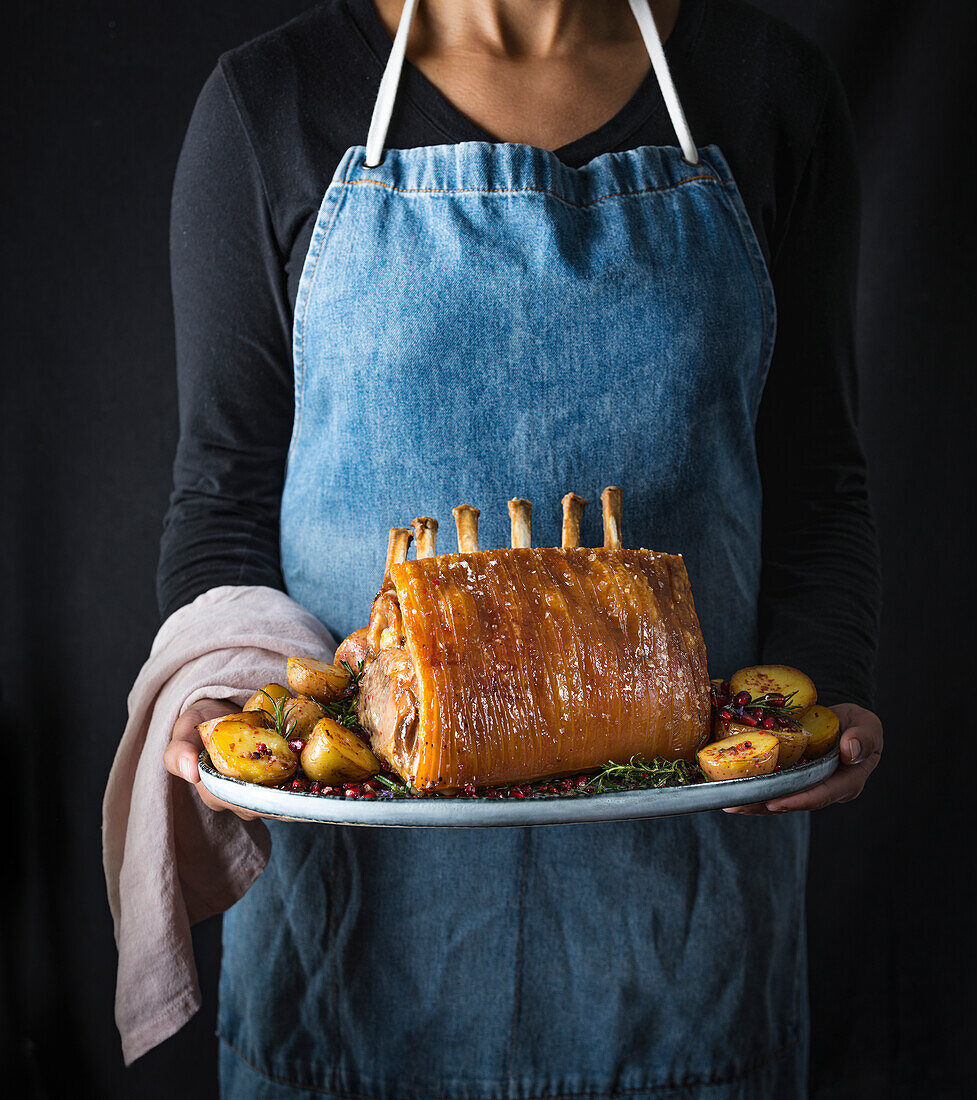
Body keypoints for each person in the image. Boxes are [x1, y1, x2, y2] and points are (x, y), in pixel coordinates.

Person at [160, 0, 883, 1095]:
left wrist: (826, 692)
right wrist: (209, 700)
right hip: (352, 945)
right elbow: (222, 491)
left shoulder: (769, 88)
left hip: (681, 940)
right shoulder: (274, 104)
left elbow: (817, 473)